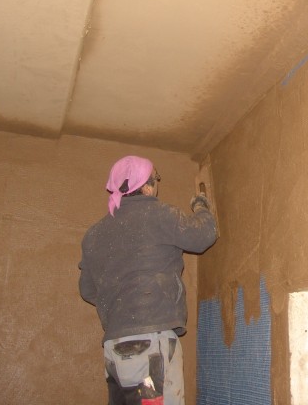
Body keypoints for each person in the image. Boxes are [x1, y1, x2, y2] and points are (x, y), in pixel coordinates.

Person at [79, 155, 218, 405]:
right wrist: (201, 207)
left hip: (114, 346)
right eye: (156, 178)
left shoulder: (94, 234)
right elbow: (202, 236)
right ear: (145, 186)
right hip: (151, 344)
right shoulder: (159, 214)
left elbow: (87, 289)